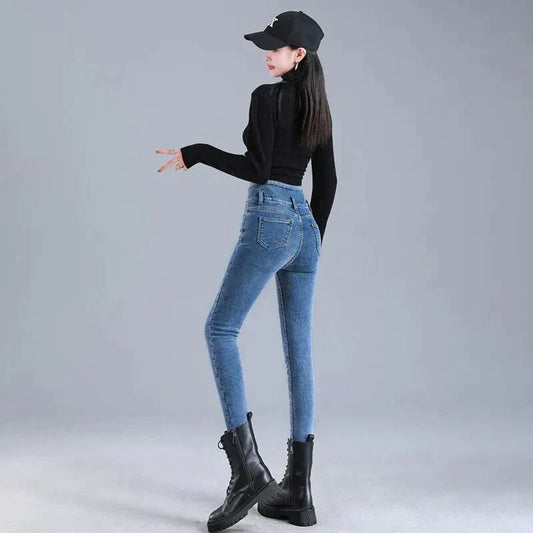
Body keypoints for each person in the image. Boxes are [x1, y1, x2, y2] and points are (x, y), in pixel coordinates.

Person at [156, 10, 337, 532]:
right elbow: (327, 182)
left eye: (276, 47)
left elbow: (256, 169)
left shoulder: (266, 97)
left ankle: (248, 471)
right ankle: (298, 490)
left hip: (270, 217)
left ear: (298, 55)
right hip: (305, 226)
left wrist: (197, 152)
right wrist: (311, 239)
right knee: (298, 349)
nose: (267, 54)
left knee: (221, 330)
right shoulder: (318, 107)